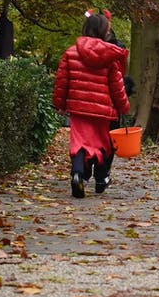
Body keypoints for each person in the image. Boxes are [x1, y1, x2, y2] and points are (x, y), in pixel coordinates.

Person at [52, 12, 130, 198]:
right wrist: (123, 106)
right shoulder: (110, 55)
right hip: (103, 110)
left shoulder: (71, 53)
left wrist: (59, 103)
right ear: (104, 32)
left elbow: (62, 81)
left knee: (79, 144)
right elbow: (117, 86)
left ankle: (77, 174)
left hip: (79, 109)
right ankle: (101, 180)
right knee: (102, 145)